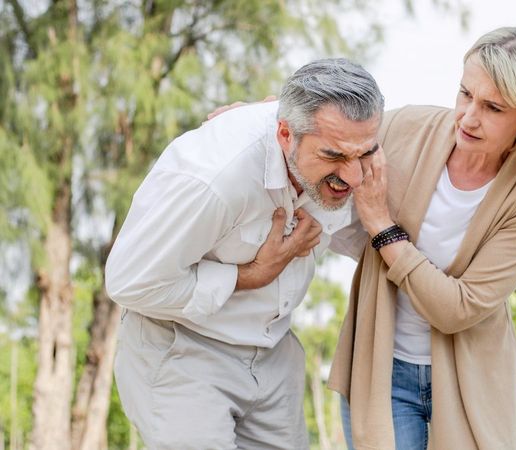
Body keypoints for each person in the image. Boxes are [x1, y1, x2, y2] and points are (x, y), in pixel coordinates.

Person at [105, 58, 384, 449]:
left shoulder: (345, 141)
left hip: (274, 356)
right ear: (285, 134)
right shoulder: (213, 177)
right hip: (184, 354)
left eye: (365, 153)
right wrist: (251, 274)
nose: (354, 176)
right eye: (334, 156)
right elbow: (129, 282)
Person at [328, 26, 516, 449]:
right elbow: (326, 127)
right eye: (465, 94)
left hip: (470, 386)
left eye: (492, 107)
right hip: (382, 372)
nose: (468, 117)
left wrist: (382, 228)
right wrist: (257, 116)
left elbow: (458, 308)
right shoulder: (407, 128)